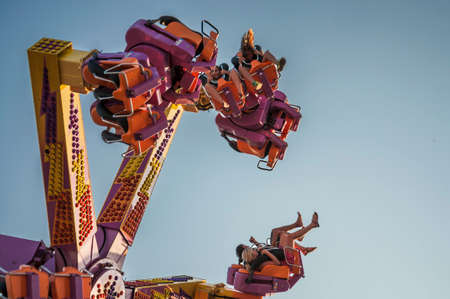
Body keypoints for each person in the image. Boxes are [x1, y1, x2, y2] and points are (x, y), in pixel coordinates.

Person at [236, 212, 319, 282]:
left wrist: (256, 243)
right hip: (287, 259)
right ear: (251, 254)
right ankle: (312, 225)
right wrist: (266, 252)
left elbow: (265, 250)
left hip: (280, 252)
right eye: (252, 249)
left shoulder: (258, 256)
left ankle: (300, 232)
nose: (254, 248)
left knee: (281, 234)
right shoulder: (260, 263)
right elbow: (277, 263)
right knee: (289, 237)